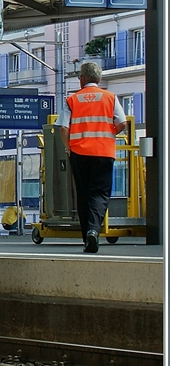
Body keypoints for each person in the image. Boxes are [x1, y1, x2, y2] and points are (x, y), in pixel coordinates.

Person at [56, 61, 126, 253]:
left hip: (79, 154)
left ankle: (87, 238)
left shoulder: (73, 100)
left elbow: (63, 127)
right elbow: (122, 122)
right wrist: (108, 134)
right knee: (100, 194)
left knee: (84, 195)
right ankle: (93, 231)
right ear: (98, 78)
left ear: (83, 79)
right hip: (104, 153)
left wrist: (69, 148)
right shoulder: (110, 98)